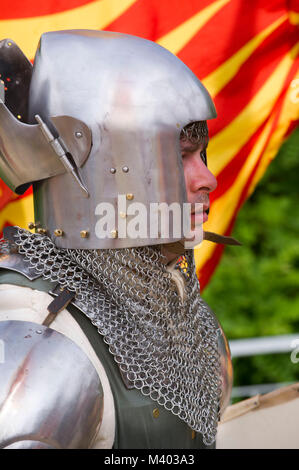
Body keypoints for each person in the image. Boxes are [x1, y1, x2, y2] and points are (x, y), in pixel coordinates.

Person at [0, 30, 233, 449]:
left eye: (203, 154)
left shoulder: (190, 322)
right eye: (180, 156)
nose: (209, 179)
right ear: (109, 167)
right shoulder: (38, 342)